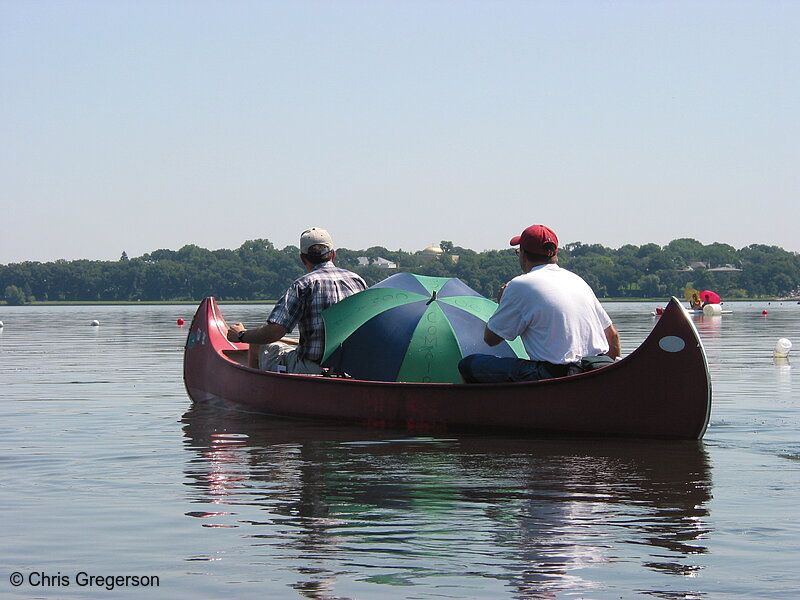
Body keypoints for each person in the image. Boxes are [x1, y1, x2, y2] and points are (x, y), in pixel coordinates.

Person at [458, 224, 620, 383]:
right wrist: (601, 379)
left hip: (553, 375)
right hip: (595, 368)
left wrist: (503, 303)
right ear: (554, 254)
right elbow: (612, 336)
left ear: (523, 255)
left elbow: (491, 339)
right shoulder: (577, 281)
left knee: (468, 365)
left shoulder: (520, 285)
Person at [226, 227, 367, 374]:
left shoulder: (304, 285)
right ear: (333, 255)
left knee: (256, 344)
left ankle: (252, 389)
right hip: (351, 368)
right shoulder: (357, 281)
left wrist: (241, 335)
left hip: (312, 368)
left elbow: (274, 333)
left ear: (302, 258)